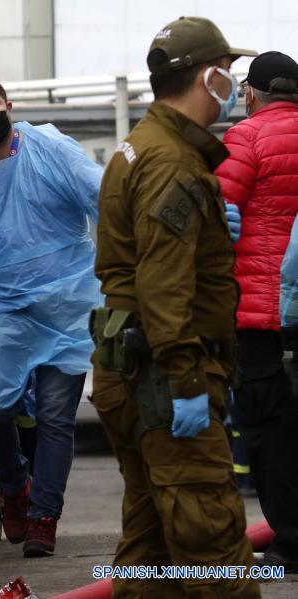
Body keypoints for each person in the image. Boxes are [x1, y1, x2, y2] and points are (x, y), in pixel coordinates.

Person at [92, 16, 260, 596]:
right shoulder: (173, 163)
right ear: (210, 77)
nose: (235, 85)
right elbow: (164, 287)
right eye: (230, 73)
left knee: (152, 549)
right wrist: (187, 379)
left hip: (130, 368)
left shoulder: (138, 149)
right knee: (213, 546)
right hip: (165, 380)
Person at [0, 74, 103, 558]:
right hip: (8, 311)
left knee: (55, 417)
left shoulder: (49, 147)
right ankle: (15, 486)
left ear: (9, 105)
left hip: (69, 304)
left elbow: (103, 197)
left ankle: (43, 518)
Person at [214, 49, 298, 572]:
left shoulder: (245, 138)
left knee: (268, 431)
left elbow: (215, 219)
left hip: (260, 314)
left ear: (251, 92)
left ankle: (289, 541)